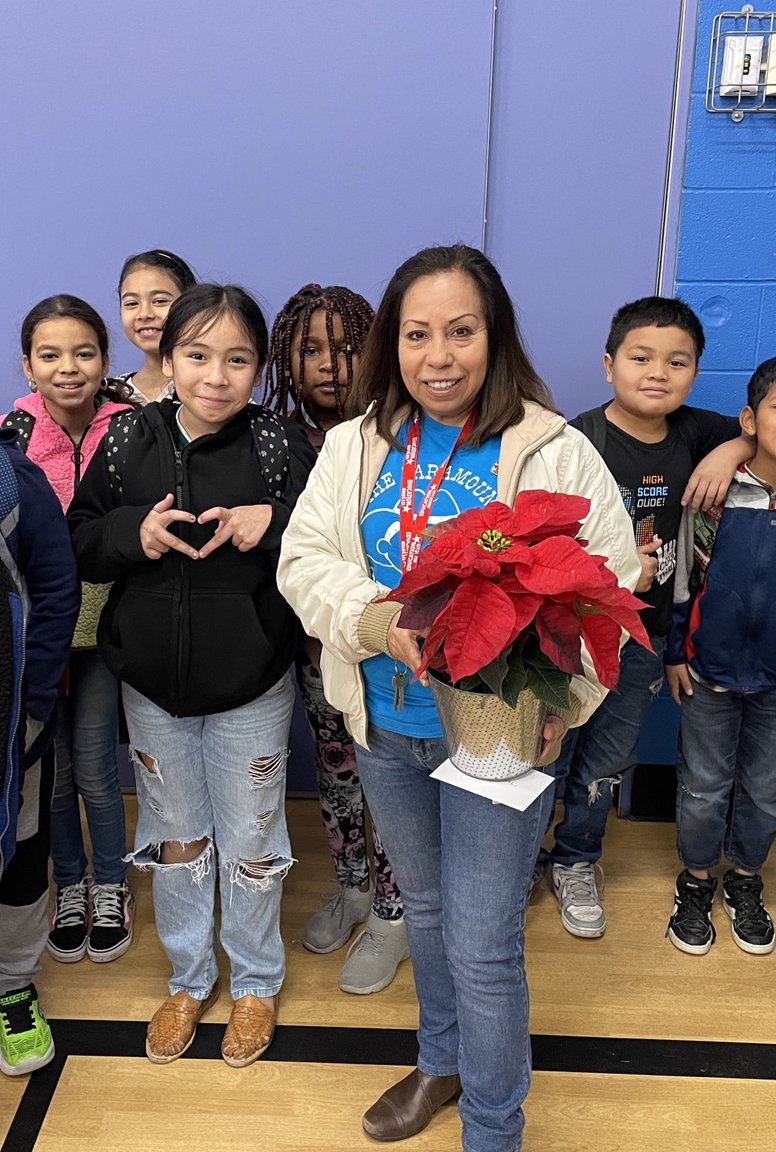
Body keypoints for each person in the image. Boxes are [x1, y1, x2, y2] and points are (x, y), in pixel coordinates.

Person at [277, 244, 641, 1152]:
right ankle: (441, 1061)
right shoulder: (359, 444)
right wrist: (374, 619)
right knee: (428, 915)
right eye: (417, 334)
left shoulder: (552, 449)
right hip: (387, 729)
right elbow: (302, 561)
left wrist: (571, 702)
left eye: (461, 332)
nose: (439, 356)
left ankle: (493, 1124)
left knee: (483, 947)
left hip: (494, 741)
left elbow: (609, 584)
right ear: (391, 345)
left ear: (495, 336)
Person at [68, 284, 314, 1068]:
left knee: (250, 840)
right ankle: (188, 976)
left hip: (252, 684)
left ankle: (255, 982)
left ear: (257, 367)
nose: (217, 375)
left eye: (237, 358)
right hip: (151, 685)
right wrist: (131, 535)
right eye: (198, 355)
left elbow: (326, 544)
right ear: (168, 359)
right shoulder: (122, 440)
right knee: (175, 840)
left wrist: (271, 523)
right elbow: (78, 537)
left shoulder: (280, 445)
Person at [543, 297, 752, 939]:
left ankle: (577, 858)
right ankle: (519, 856)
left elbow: (759, 434)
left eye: (677, 361)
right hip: (572, 634)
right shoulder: (575, 441)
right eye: (640, 357)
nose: (657, 371)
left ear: (693, 372)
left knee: (609, 754)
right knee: (548, 750)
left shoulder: (696, 433)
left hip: (643, 635)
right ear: (609, 365)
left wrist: (731, 449)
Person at [265, 283, 409, 994]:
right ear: (286, 359)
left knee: (387, 778)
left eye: (349, 349)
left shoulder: (395, 434)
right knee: (334, 769)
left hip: (385, 649)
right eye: (312, 350)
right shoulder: (272, 438)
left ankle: (393, 908)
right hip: (312, 647)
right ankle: (352, 884)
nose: (331, 365)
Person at [1, 295, 136, 965]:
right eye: (50, 355)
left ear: (106, 362)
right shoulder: (12, 438)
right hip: (35, 641)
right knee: (45, 779)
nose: (69, 368)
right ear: (28, 366)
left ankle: (111, 883)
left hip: (106, 635)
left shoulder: (133, 427)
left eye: (85, 353)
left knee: (95, 770)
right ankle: (70, 885)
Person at [665, 356, 776, 956]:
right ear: (750, 419)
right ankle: (697, 879)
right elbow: (685, 576)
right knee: (704, 785)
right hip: (708, 672)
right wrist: (677, 651)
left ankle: (745, 880)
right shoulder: (715, 493)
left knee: (765, 789)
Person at [0, 429, 80, 1075]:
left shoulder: (14, 480)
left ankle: (12, 984)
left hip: (10, 724)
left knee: (22, 850)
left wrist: (30, 707)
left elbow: (56, 591)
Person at [117, 248, 197, 405]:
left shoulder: (210, 390)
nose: (145, 314)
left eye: (159, 301)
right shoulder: (112, 394)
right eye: (132, 303)